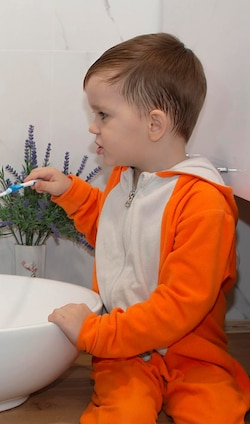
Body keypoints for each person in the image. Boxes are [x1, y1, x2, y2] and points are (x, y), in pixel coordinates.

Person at [25, 33, 250, 423]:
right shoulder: (125, 179)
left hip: (192, 353)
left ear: (154, 124)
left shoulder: (203, 203)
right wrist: (71, 192)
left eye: (103, 115)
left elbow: (180, 306)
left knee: (216, 413)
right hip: (125, 355)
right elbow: (117, 236)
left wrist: (95, 334)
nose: (94, 128)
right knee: (121, 414)